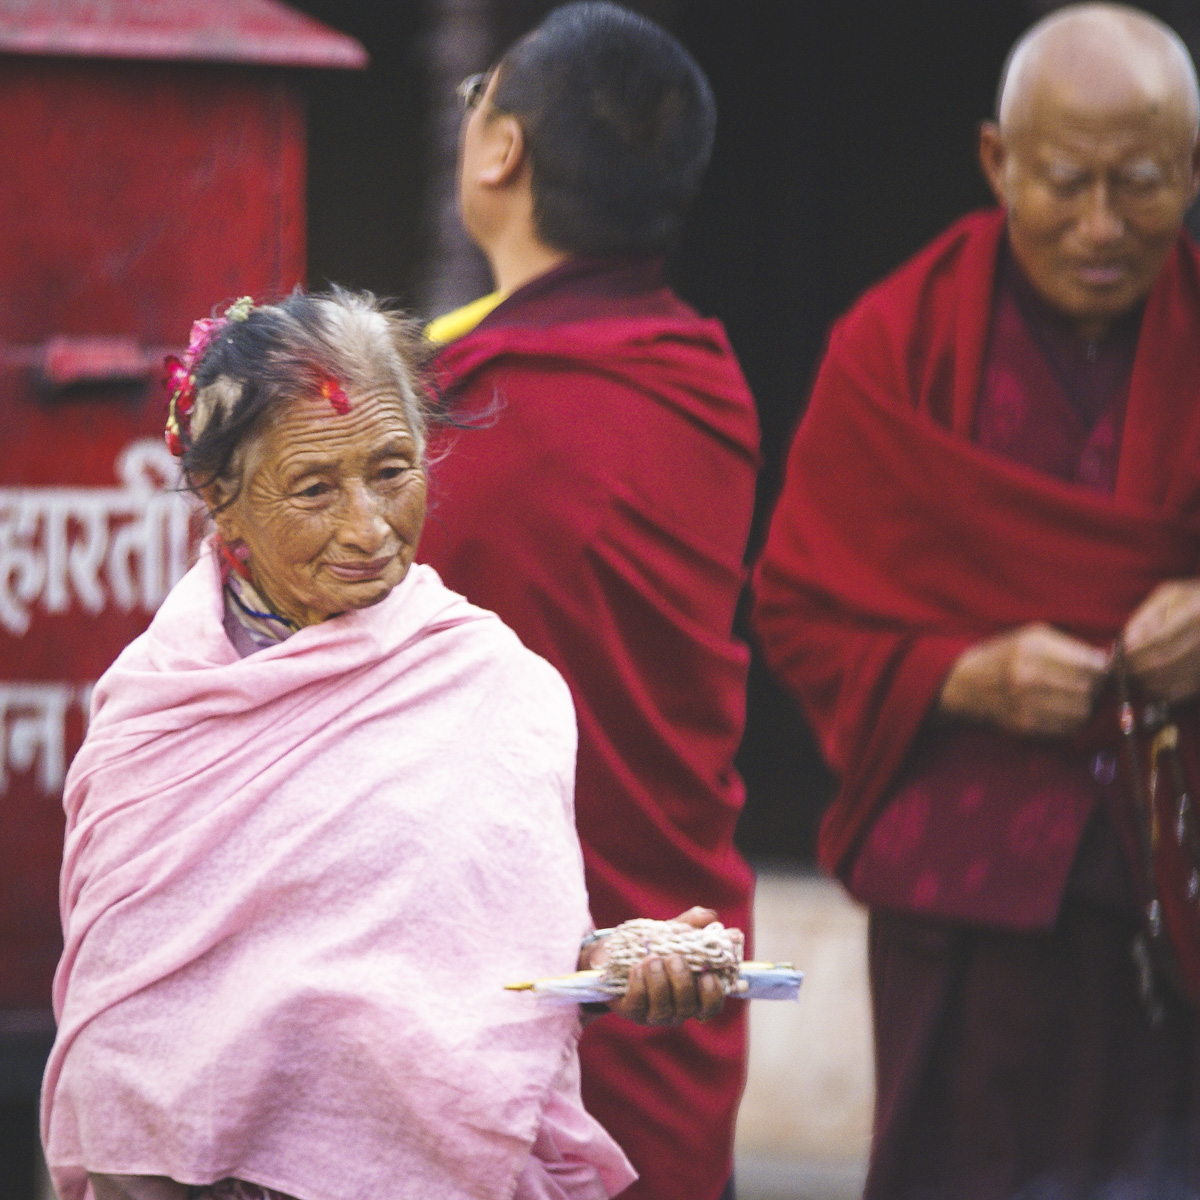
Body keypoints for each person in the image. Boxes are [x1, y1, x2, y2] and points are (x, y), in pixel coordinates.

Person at [40, 290, 725, 1200]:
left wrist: (605, 962)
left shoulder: (497, 688)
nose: (369, 528)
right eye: (316, 489)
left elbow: (486, 955)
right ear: (220, 499)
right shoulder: (154, 717)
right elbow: (122, 1034)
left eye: (393, 470)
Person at [754, 5, 1200, 1198]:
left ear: (1194, 173)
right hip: (965, 908)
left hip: (1176, 897)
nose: (1102, 225)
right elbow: (796, 605)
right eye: (1064, 182)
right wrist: (966, 676)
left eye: (1143, 185)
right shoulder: (895, 344)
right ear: (998, 162)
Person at [417, 6, 759, 1199]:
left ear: (501, 152)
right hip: (673, 943)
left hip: (485, 968)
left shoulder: (451, 417)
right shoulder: (703, 383)